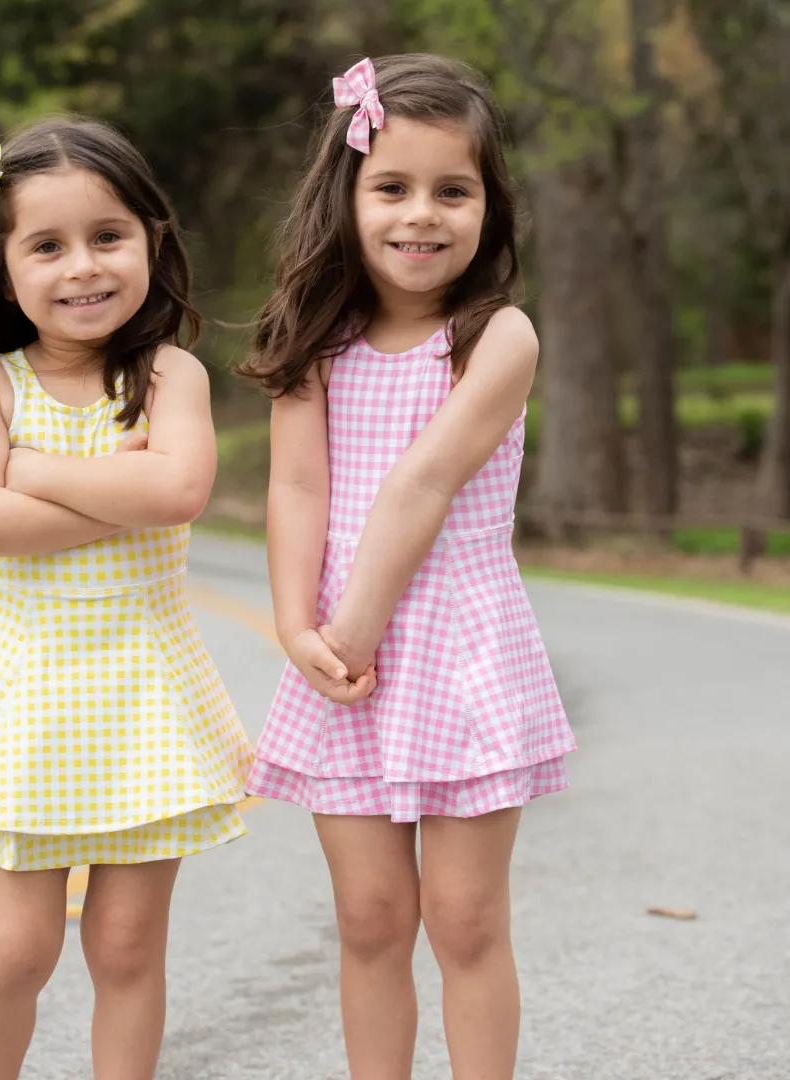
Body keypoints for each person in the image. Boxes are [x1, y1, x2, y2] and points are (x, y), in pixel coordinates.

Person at [239, 55, 577, 1080]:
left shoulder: (495, 338)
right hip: (343, 652)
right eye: (391, 186)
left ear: (490, 207)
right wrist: (297, 626)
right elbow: (298, 492)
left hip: (456, 648)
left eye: (452, 190)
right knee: (372, 917)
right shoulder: (314, 341)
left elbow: (418, 490)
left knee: (465, 920)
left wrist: (348, 631)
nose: (419, 215)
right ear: (344, 198)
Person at [0, 116, 253, 1080]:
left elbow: (177, 494)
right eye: (46, 245)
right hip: (31, 697)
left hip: (148, 696)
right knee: (18, 953)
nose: (82, 267)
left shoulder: (168, 373)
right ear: (2, 270)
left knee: (127, 950)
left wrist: (25, 471)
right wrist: (111, 490)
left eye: (108, 237)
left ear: (152, 242)